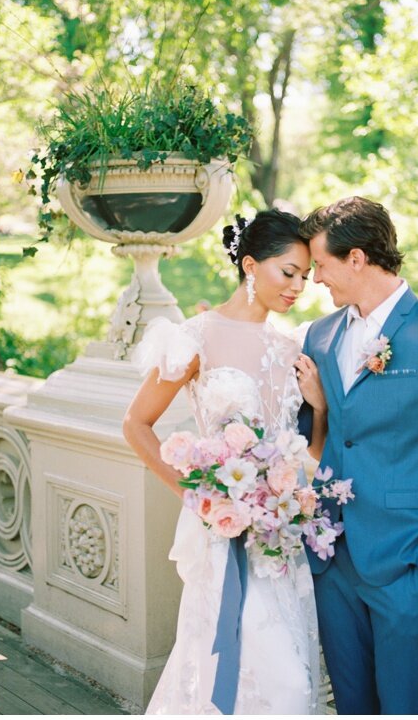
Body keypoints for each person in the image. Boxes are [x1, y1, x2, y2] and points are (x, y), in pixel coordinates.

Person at [122, 210, 328, 714]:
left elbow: (312, 452)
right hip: (223, 535)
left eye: (304, 276)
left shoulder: (294, 348)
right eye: (288, 272)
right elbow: (135, 425)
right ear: (251, 266)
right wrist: (200, 498)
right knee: (229, 669)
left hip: (282, 540)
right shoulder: (196, 337)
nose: (298, 286)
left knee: (294, 682)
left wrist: (318, 408)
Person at [298, 196, 418, 714]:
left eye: (321, 264)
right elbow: (313, 437)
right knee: (351, 707)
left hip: (406, 568)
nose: (315, 279)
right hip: (333, 561)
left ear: (356, 258)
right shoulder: (319, 336)